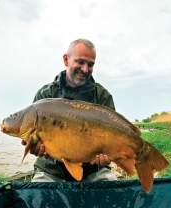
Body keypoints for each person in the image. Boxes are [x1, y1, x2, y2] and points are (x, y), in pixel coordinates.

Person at [27, 38, 117, 182]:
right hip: (51, 171)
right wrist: (34, 149)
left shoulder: (102, 96)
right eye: (80, 62)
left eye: (90, 64)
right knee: (39, 198)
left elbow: (112, 140)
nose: (85, 69)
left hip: (93, 170)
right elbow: (33, 142)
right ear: (66, 60)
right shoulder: (45, 96)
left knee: (111, 191)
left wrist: (108, 157)